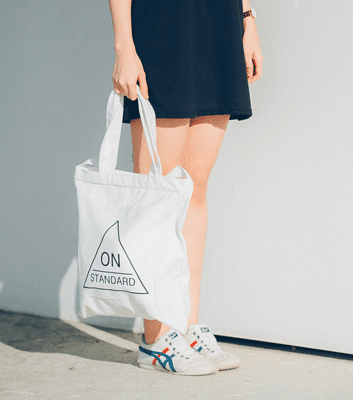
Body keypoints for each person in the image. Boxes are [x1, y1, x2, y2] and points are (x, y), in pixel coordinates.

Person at [108, 0, 263, 375]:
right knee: (157, 195)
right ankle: (155, 339)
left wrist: (247, 20)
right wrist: (124, 46)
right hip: (163, 24)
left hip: (218, 23)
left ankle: (187, 327)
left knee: (195, 188)